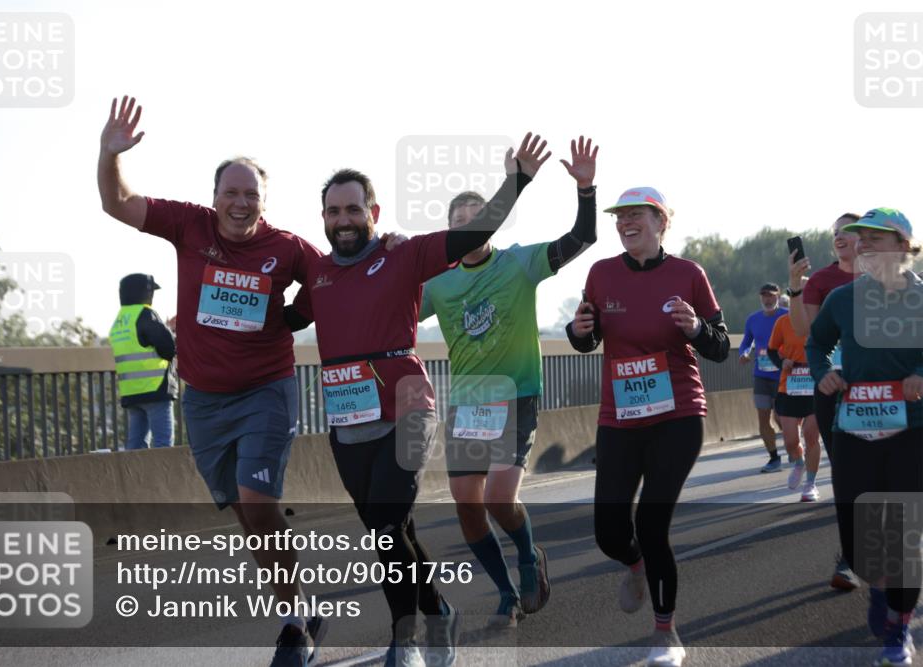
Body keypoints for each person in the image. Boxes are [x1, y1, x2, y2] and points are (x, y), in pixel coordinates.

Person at [288, 133, 551, 667]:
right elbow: (284, 321)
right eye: (334, 210)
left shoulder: (404, 254)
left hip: (409, 408)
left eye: (354, 209)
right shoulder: (316, 273)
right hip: (346, 419)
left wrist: (516, 181)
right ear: (323, 217)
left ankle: (404, 638)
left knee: (386, 529)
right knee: (394, 534)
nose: (344, 218)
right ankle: (439, 611)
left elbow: (472, 234)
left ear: (373, 212)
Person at [98, 96, 327, 666]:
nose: (241, 202)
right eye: (232, 192)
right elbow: (117, 202)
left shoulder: (288, 248)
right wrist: (110, 154)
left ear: (264, 201)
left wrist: (294, 315)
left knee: (259, 500)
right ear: (215, 197)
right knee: (248, 518)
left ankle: (293, 626)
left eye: (252, 194)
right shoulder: (189, 226)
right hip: (202, 400)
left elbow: (332, 280)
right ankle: (302, 602)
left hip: (266, 390)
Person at [418, 136, 598, 628]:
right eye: (461, 222)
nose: (471, 228)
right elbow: (390, 315)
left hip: (516, 395)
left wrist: (585, 189)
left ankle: (527, 554)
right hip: (468, 406)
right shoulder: (438, 283)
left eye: (481, 218)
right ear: (449, 233)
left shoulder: (518, 262)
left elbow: (583, 238)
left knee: (500, 496)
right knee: (469, 510)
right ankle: (505, 592)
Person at [567, 186, 730, 667]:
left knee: (652, 523)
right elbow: (587, 336)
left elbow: (719, 345)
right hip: (619, 416)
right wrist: (579, 334)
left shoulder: (688, 274)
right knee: (608, 531)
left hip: (678, 414)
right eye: (620, 217)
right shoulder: (600, 274)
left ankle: (666, 633)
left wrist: (696, 328)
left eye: (636, 215)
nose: (624, 223)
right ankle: (635, 565)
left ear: (661, 222)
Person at [806, 208, 923, 667]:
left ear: (903, 246)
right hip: (854, 430)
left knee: (904, 533)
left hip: (911, 432)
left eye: (875, 239)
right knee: (860, 543)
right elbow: (817, 343)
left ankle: (899, 624)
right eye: (860, 239)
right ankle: (878, 581)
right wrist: (823, 373)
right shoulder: (843, 299)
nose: (863, 246)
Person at [786, 213, 862, 590]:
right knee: (848, 474)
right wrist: (795, 286)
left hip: (890, 391)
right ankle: (850, 558)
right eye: (835, 233)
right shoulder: (823, 282)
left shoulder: (896, 282)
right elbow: (807, 334)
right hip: (835, 388)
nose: (839, 237)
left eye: (847, 231)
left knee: (892, 475)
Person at [108, 273, 177, 449]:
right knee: (163, 445)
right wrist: (171, 332)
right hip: (155, 389)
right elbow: (168, 348)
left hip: (131, 392)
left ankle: (135, 477)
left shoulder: (120, 320)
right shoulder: (145, 314)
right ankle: (162, 477)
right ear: (146, 293)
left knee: (136, 446)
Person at [766, 311, 820, 501]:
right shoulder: (783, 322)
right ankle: (799, 462)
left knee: (811, 436)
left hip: (816, 385)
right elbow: (771, 349)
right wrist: (782, 361)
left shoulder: (822, 318)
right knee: (790, 441)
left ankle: (810, 484)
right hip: (789, 386)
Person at [738, 283, 788, 472]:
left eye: (771, 296)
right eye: (764, 296)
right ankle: (774, 458)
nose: (768, 299)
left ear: (778, 296)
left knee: (782, 417)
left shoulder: (786, 316)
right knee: (763, 418)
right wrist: (743, 353)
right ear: (760, 297)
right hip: (761, 375)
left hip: (782, 374)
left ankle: (794, 445)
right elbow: (746, 342)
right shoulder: (753, 319)